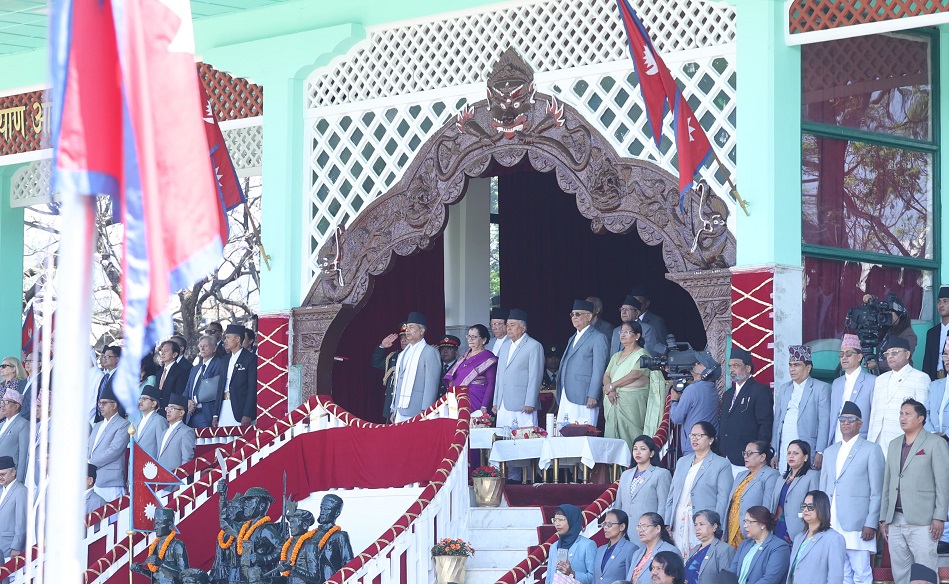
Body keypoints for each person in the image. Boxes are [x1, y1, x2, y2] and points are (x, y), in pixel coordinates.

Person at [880, 399, 949, 584]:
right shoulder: (894, 444)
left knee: (925, 572)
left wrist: (939, 517)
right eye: (901, 413)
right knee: (900, 573)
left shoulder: (936, 443)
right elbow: (887, 483)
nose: (903, 417)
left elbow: (943, 484)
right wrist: (884, 517)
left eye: (908, 414)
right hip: (895, 519)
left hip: (924, 521)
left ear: (921, 418)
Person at [817, 401, 883, 584]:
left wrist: (871, 523)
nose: (846, 423)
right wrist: (821, 519)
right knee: (841, 572)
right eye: (842, 419)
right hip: (832, 521)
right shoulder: (830, 451)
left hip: (858, 523)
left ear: (860, 423)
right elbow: (823, 489)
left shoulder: (871, 449)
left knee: (861, 571)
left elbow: (877, 491)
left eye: (851, 419)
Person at [666, 422, 733, 557]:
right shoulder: (682, 461)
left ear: (711, 440)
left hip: (704, 523)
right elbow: (672, 495)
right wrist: (667, 522)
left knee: (699, 559)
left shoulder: (721, 464)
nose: (694, 439)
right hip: (679, 519)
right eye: (692, 435)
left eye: (699, 435)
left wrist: (717, 527)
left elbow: (723, 499)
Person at [492, 309, 544, 482]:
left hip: (523, 404)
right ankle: (509, 476)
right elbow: (500, 376)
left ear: (523, 328)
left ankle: (528, 477)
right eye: (507, 325)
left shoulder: (533, 345)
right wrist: (496, 401)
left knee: (524, 441)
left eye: (512, 325)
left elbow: (535, 375)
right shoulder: (505, 346)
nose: (509, 329)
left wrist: (530, 401)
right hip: (504, 402)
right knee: (505, 441)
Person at [867, 336, 930, 459]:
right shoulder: (880, 380)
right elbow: (874, 413)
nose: (890, 356)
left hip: (903, 440)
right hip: (877, 440)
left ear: (907, 354)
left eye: (895, 352)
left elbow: (923, 415)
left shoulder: (920, 378)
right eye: (887, 353)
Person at [772, 345, 829, 471]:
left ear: (808, 368)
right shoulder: (784, 389)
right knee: (785, 476)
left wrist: (820, 451)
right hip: (785, 444)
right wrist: (775, 451)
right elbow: (777, 422)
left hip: (807, 445)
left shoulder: (820, 388)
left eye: (797, 365)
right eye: (790, 365)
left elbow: (824, 422)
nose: (792, 369)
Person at [720, 347, 773, 476]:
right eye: (730, 366)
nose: (732, 370)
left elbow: (765, 425)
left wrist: (758, 454)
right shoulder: (728, 395)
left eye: (736, 365)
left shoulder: (760, 391)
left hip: (747, 460)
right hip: (725, 458)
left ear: (748, 368)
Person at [557, 299, 610, 426]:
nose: (574, 317)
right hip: (567, 393)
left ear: (589, 317)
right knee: (564, 430)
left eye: (578, 314)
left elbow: (599, 369)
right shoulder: (572, 338)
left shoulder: (598, 337)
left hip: (585, 395)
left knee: (582, 430)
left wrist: (593, 395)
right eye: (572, 314)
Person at [615, 435, 672, 545]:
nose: (638, 452)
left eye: (643, 449)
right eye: (635, 449)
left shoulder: (661, 474)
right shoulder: (625, 474)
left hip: (648, 531)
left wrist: (661, 528)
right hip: (625, 530)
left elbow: (663, 505)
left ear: (651, 453)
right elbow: (618, 504)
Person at [603, 321, 651, 449]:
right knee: (612, 441)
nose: (622, 335)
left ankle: (632, 461)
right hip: (612, 399)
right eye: (621, 331)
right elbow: (606, 375)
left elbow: (635, 374)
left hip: (631, 403)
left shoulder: (642, 354)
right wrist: (610, 390)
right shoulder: (616, 355)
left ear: (637, 336)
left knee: (632, 437)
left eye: (627, 332)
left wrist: (612, 386)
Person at [725, 442, 779, 547]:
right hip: (732, 531)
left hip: (753, 534)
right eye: (744, 453)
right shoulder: (741, 475)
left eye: (749, 453)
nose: (745, 456)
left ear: (762, 457)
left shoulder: (771, 475)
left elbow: (768, 507)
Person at [390, 312, 441, 422]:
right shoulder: (403, 353)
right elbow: (398, 383)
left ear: (421, 331)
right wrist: (394, 409)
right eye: (407, 327)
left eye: (411, 327)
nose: (407, 330)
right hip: (400, 409)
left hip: (418, 410)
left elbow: (431, 385)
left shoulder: (430, 352)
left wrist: (426, 411)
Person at [786, 491, 845, 584]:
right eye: (803, 506)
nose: (806, 509)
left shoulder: (834, 539)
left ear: (821, 508)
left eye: (810, 506)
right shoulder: (799, 537)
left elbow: (836, 578)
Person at [669, 351, 721, 455]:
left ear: (707, 371)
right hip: (710, 446)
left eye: (700, 363)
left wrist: (674, 400)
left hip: (693, 448)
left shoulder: (693, 389)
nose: (695, 365)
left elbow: (676, 418)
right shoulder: (713, 389)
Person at [87, 385, 131, 500]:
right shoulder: (97, 425)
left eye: (104, 403)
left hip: (110, 481)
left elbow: (114, 450)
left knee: (112, 511)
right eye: (99, 403)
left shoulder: (123, 424)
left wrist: (90, 462)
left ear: (114, 405)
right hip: (93, 479)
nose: (101, 406)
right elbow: (88, 447)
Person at [771, 440, 819, 545]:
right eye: (789, 453)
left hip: (799, 528)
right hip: (777, 527)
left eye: (796, 453)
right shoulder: (781, 479)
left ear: (805, 457)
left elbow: (814, 506)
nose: (791, 456)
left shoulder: (812, 476)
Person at [442, 325, 497, 413]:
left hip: (476, 400)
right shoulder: (465, 355)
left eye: (474, 337)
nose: (470, 340)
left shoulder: (488, 358)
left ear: (484, 340)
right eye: (469, 336)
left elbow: (491, 384)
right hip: (459, 398)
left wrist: (484, 406)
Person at [729, 505, 790, 584]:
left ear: (762, 524)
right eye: (745, 521)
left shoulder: (779, 547)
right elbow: (732, 572)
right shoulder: (744, 544)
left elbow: (769, 580)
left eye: (749, 522)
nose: (745, 526)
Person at [828, 335, 873, 442]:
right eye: (841, 354)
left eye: (848, 354)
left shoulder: (872, 381)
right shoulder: (837, 383)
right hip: (837, 439)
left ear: (859, 357)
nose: (844, 357)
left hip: (861, 440)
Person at [214, 324, 258, 427]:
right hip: (223, 407)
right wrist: (215, 414)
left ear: (237, 339)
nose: (225, 341)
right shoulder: (225, 359)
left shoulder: (250, 358)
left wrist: (247, 413)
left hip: (240, 408)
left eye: (228, 337)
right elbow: (220, 387)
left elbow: (252, 388)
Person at [130, 507, 189, 584]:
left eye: (158, 524)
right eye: (155, 524)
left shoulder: (177, 545)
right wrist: (141, 570)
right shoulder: (155, 546)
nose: (155, 528)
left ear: (170, 525)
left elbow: (185, 574)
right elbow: (157, 576)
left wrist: (161, 563)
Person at [546, 504, 596, 584]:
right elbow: (549, 577)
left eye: (561, 520)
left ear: (572, 520)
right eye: (555, 520)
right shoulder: (554, 546)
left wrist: (572, 573)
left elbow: (594, 578)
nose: (557, 524)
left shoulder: (588, 545)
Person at [871, 294, 918, 375]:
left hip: (900, 376)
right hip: (882, 376)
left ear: (900, 314)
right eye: (885, 313)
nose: (887, 315)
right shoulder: (886, 331)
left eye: (890, 313)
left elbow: (903, 359)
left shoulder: (908, 334)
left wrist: (877, 365)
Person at [626, 512, 678, 584]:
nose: (641, 530)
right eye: (639, 527)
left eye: (645, 526)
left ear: (657, 529)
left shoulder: (670, 551)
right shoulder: (637, 553)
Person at [685, 510, 734, 584]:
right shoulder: (695, 549)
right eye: (695, 525)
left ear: (714, 527)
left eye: (701, 524)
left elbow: (726, 580)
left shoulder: (724, 549)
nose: (697, 528)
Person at [273, 508, 320, 584]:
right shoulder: (288, 545)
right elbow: (287, 577)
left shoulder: (310, 545)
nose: (290, 526)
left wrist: (292, 568)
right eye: (290, 523)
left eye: (293, 522)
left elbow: (315, 577)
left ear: (305, 525)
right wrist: (269, 579)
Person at [185, 335, 223, 428]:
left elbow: (213, 389)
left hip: (206, 414)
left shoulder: (219, 364)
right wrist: (187, 402)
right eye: (200, 346)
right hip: (190, 415)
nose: (202, 348)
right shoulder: (195, 368)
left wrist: (194, 401)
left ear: (214, 349)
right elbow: (187, 389)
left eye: (205, 346)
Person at [313, 494, 354, 580]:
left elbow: (349, 563)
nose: (322, 512)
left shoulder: (340, 536)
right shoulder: (312, 535)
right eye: (321, 508)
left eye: (327, 509)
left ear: (336, 513)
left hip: (331, 579)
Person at [371, 324, 407, 421]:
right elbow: (376, 363)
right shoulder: (394, 356)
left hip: (409, 406)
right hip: (392, 406)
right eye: (401, 338)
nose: (403, 340)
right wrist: (382, 346)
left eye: (406, 337)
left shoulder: (420, 356)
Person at [593, 509, 637, 583]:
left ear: (622, 526)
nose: (605, 527)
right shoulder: (600, 549)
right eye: (604, 524)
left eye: (609, 524)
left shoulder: (630, 549)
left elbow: (630, 579)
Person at [158, 393, 197, 471]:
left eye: (172, 408)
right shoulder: (164, 432)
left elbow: (187, 459)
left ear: (181, 413)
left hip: (175, 475)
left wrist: (181, 475)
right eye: (167, 408)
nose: (168, 411)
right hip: (161, 474)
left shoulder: (186, 432)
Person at [0, 456, 27, 562]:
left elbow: (22, 522)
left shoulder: (21, 491)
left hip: (10, 547)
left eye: (3, 474)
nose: (0, 477)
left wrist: (16, 546)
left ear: (13, 472)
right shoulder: (1, 490)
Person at [0, 389, 29, 483]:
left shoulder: (23, 424)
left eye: (6, 402)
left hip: (10, 477)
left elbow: (23, 455)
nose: (2, 405)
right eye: (2, 401)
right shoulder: (2, 424)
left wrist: (19, 481)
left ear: (16, 406)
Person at [922, 286, 949, 380]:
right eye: (939, 302)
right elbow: (927, 361)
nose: (941, 305)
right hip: (934, 379)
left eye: (945, 301)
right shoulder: (932, 333)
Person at [135, 385, 169, 458]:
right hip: (135, 463)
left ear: (153, 403)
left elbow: (162, 448)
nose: (140, 401)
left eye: (144, 399)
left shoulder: (160, 421)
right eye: (140, 398)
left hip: (150, 463)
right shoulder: (137, 421)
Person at [157, 340, 189, 411]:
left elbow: (179, 394)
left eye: (166, 351)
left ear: (174, 354)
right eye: (162, 351)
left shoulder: (180, 372)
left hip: (171, 410)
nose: (162, 353)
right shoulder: (159, 371)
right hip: (157, 410)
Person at [926, 348, 949, 435]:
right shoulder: (934, 385)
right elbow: (925, 412)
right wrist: (932, 433)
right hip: (934, 439)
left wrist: (946, 435)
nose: (947, 358)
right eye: (945, 355)